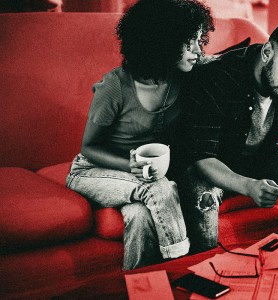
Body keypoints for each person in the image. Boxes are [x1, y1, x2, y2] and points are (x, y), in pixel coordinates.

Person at [66, 0, 214, 270]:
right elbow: (89, 148)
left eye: (199, 39)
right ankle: (181, 268)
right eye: (188, 42)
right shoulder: (114, 86)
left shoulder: (186, 77)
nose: (198, 49)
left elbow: (230, 64)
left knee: (139, 215)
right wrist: (130, 166)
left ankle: (140, 288)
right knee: (159, 188)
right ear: (162, 42)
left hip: (142, 176)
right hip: (92, 171)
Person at [178, 20, 278, 253]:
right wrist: (249, 187)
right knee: (202, 196)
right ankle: (204, 271)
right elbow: (202, 158)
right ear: (267, 52)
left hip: (261, 158)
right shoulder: (217, 76)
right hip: (214, 164)